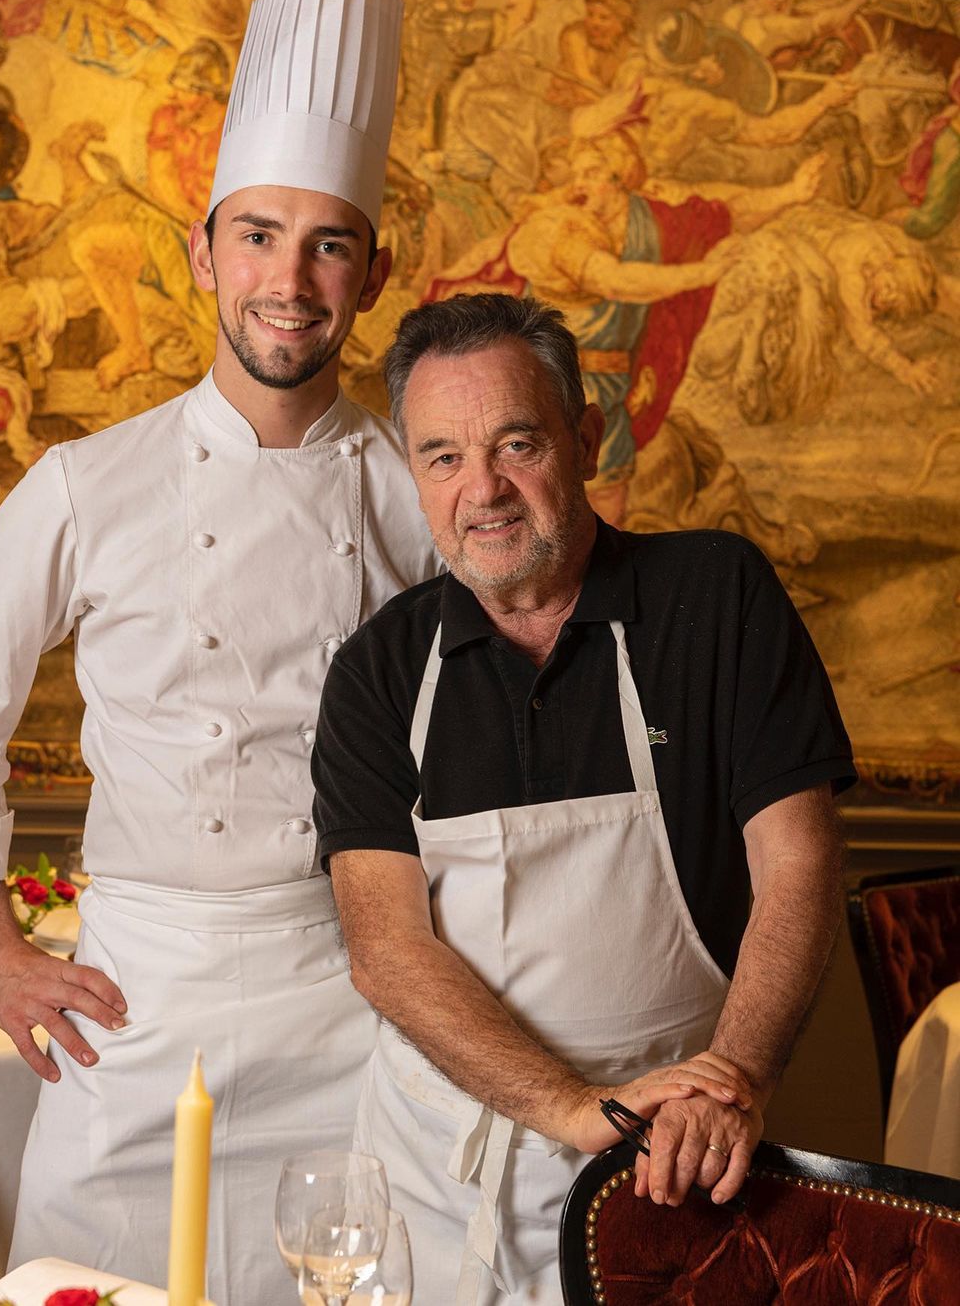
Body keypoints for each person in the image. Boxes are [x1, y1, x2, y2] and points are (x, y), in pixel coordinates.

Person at [0, 0, 437, 1302]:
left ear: (370, 271)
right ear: (201, 252)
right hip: (137, 1006)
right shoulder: (87, 482)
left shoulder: (416, 489)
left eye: (328, 243)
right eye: (258, 235)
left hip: (350, 996)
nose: (288, 279)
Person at [312, 293, 856, 1305]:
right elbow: (386, 948)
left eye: (516, 444)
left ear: (587, 437)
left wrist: (734, 1079)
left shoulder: (715, 596)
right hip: (438, 1179)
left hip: (676, 1163)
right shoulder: (379, 670)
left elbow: (799, 865)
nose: (483, 490)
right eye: (442, 457)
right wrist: (572, 1108)